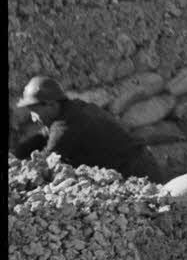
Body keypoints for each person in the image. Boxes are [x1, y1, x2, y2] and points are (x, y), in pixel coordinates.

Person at [14, 75, 163, 181]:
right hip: (138, 164)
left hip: (138, 173)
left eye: (35, 111)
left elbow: (46, 162)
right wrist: (17, 152)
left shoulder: (67, 126)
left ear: (52, 105)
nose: (33, 118)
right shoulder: (71, 109)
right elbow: (44, 135)